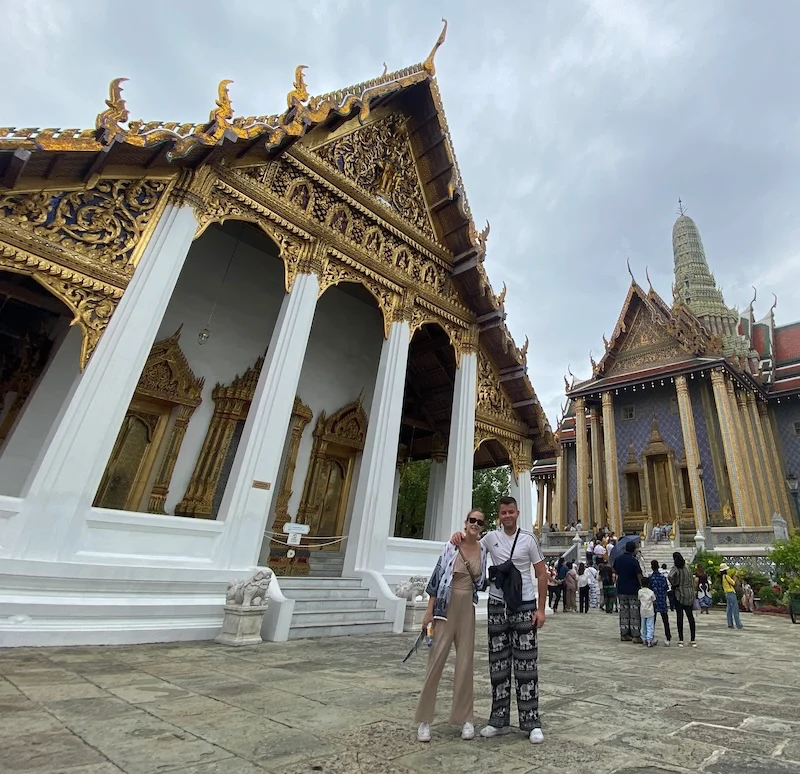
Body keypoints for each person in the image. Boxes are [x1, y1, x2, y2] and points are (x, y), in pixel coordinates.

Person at [451, 496, 548, 744]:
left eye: (510, 512)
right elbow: (472, 545)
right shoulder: (491, 538)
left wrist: (540, 609)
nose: (507, 516)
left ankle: (531, 721)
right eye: (503, 513)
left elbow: (541, 574)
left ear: (517, 513)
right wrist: (458, 536)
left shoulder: (529, 539)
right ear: (499, 515)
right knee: (498, 665)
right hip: (497, 604)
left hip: (524, 605)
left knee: (526, 665)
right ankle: (498, 719)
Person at [415, 509, 489, 742]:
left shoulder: (483, 549)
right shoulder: (451, 546)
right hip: (446, 608)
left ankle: (465, 718)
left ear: (482, 526)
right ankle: (425, 720)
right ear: (465, 523)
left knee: (465, 664)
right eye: (472, 520)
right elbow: (437, 579)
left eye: (479, 522)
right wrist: (429, 612)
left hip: (467, 606)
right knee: (436, 661)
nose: (475, 524)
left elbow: (482, 582)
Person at [615, 542, 644, 643]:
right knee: (634, 613)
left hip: (621, 588)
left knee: (623, 612)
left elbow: (615, 571)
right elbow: (639, 575)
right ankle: (636, 635)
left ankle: (624, 633)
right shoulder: (634, 561)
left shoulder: (618, 559)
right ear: (633, 549)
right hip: (632, 590)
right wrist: (642, 586)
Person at [668, 552, 697, 647]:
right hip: (689, 593)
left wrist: (674, 584)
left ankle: (681, 639)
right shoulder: (688, 568)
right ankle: (693, 639)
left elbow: (670, 576)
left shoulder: (676, 568)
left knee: (679, 617)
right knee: (690, 617)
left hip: (679, 593)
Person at [649, 559, 671, 646]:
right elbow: (666, 588)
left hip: (653, 602)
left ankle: (651, 637)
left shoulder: (651, 578)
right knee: (665, 620)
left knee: (652, 621)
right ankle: (668, 637)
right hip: (662, 600)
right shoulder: (662, 577)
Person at [720, 563, 744, 630]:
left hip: (727, 593)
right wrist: (735, 577)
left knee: (729, 609)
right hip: (731, 593)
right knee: (735, 609)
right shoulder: (726, 576)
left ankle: (730, 624)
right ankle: (738, 624)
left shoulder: (722, 577)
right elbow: (733, 583)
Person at [638, 578, 657, 647]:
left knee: (643, 625)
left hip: (642, 610)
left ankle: (644, 639)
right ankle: (649, 640)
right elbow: (654, 599)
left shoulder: (640, 591)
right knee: (650, 625)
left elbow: (639, 598)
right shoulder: (651, 592)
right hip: (650, 610)